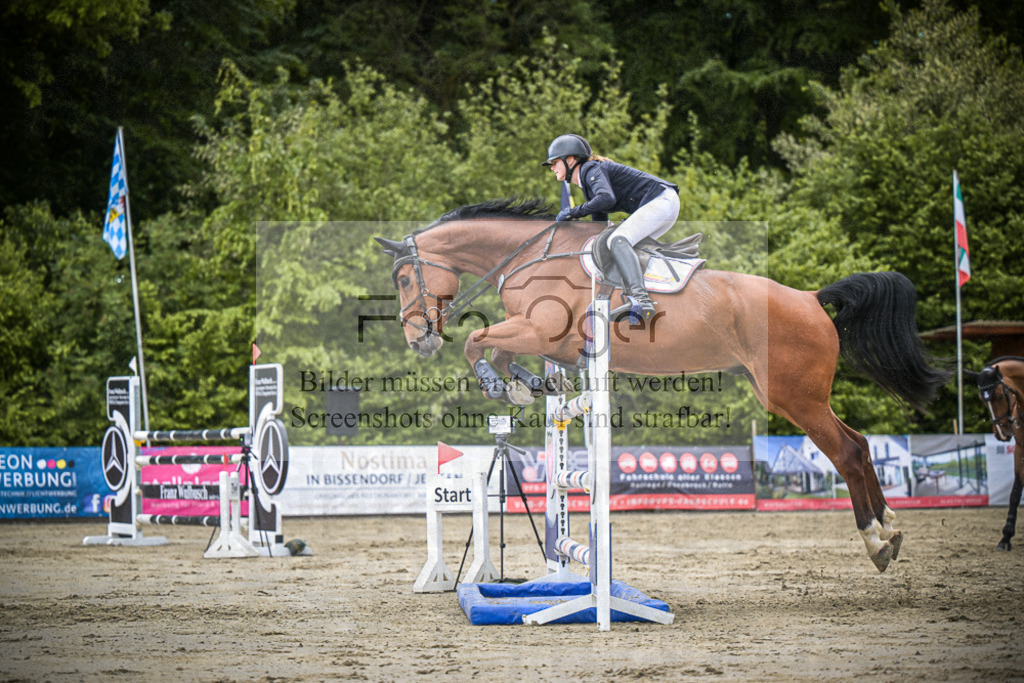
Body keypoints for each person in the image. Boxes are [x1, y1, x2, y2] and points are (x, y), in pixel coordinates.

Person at [542, 133, 679, 320]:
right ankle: (642, 294)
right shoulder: (589, 179)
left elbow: (606, 198)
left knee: (618, 239)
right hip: (665, 203)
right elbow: (599, 222)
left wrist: (573, 212)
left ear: (571, 160)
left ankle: (641, 299)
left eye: (555, 162)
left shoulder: (590, 169)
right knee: (620, 244)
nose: (552, 168)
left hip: (661, 201)